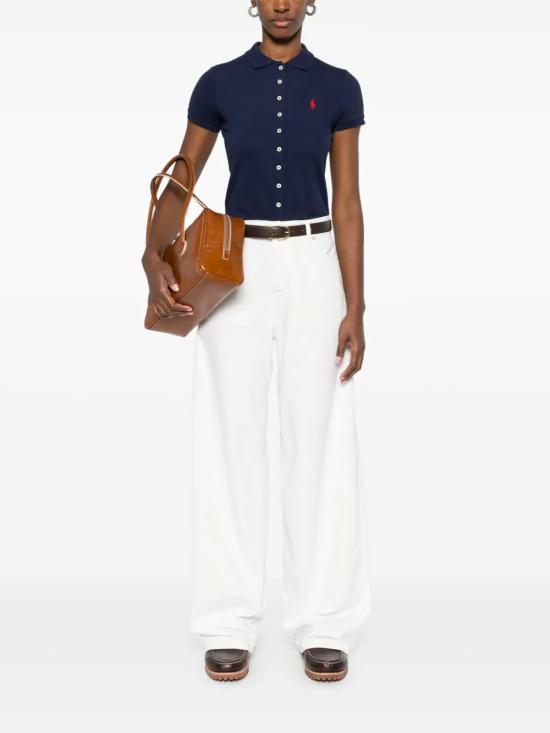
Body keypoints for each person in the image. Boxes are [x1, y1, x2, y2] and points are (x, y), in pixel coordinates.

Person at [141, 0, 370, 682]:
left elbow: (348, 200)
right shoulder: (218, 83)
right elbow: (183, 174)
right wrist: (153, 252)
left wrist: (355, 304)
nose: (281, 4)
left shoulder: (340, 87)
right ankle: (226, 620)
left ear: (309, 2)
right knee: (229, 438)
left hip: (314, 263)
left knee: (319, 440)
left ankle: (323, 620)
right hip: (233, 264)